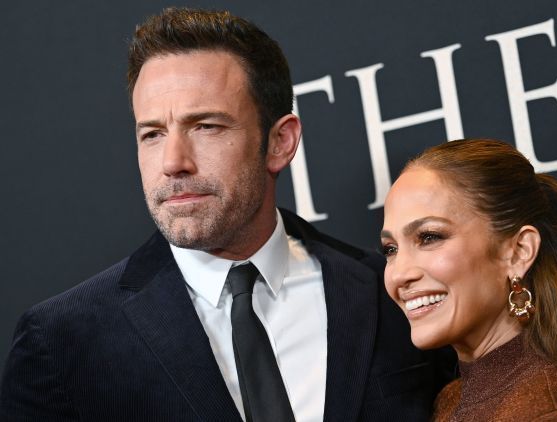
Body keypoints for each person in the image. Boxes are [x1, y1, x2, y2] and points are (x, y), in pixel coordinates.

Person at [0, 7, 454, 421]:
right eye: (153, 134)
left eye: (206, 126)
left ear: (280, 142)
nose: (173, 162)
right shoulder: (61, 343)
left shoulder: (389, 295)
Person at [381, 139, 557, 421]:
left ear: (519, 252)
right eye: (390, 249)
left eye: (429, 237)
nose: (399, 274)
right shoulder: (453, 398)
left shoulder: (543, 412)